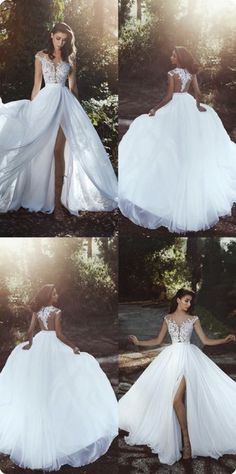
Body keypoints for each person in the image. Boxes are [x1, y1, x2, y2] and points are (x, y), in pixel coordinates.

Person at [0, 23, 118, 216]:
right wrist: (32, 108)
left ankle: (57, 203)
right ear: (51, 35)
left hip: (65, 105)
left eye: (64, 40)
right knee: (38, 148)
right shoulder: (40, 56)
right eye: (58, 39)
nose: (61, 43)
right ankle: (37, 194)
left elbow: (73, 88)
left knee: (57, 150)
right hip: (45, 104)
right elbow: (37, 84)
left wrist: (78, 112)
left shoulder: (70, 59)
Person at [0, 284, 118, 471]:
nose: (57, 294)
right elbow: (59, 335)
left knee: (40, 384)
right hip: (53, 344)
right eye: (54, 293)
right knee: (60, 382)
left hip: (39, 344)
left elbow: (30, 331)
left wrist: (30, 346)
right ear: (49, 296)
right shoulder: (56, 311)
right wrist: (73, 346)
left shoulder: (36, 310)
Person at [118, 46, 236, 233]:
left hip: (175, 107)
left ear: (179, 58)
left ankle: (173, 189)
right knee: (188, 145)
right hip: (189, 107)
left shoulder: (172, 73)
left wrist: (155, 109)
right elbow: (197, 93)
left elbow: (169, 96)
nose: (171, 57)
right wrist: (198, 107)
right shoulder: (191, 72)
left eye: (173, 55)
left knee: (170, 144)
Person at [119, 288, 236, 465]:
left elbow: (205, 340)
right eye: (186, 300)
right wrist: (138, 342)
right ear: (178, 299)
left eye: (190, 301)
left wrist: (224, 340)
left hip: (189, 359)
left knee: (175, 400)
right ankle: (183, 438)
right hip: (171, 359)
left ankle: (187, 441)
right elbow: (157, 341)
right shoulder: (167, 318)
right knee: (170, 399)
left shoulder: (193, 319)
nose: (189, 304)